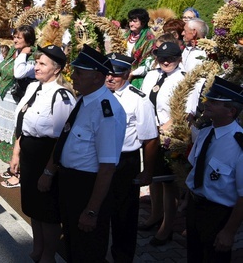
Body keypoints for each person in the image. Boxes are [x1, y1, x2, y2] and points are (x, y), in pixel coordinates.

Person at [51, 45, 127, 262]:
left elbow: (107, 167)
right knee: (72, 246)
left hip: (88, 188)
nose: (73, 76)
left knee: (88, 249)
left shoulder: (107, 111)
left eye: (79, 73)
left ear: (96, 77)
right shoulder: (85, 99)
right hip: (71, 183)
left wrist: (92, 210)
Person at [10, 45, 75, 263]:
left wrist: (49, 172)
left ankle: (49, 255)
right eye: (36, 62)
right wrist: (16, 153)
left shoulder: (61, 96)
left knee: (48, 212)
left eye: (42, 64)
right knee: (33, 207)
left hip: (48, 157)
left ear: (56, 70)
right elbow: (23, 123)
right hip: (29, 154)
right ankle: (38, 248)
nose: (36, 67)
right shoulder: (33, 87)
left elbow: (61, 141)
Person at [105, 53, 160, 263]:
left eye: (116, 74)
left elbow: (150, 139)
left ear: (127, 75)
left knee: (124, 216)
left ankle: (122, 257)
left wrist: (147, 171)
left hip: (125, 161)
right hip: (99, 159)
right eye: (107, 73)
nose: (110, 78)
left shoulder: (138, 100)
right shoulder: (99, 94)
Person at [185, 76, 243, 262]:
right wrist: (187, 201)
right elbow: (195, 168)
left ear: (231, 111)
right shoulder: (206, 132)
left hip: (218, 214)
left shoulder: (239, 144)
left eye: (214, 102)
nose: (207, 103)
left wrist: (229, 231)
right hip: (195, 207)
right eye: (208, 99)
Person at [139, 41, 186, 245]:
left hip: (170, 135)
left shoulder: (184, 79)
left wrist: (169, 125)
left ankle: (167, 226)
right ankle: (155, 215)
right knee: (153, 176)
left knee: (168, 183)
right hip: (150, 132)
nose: (166, 61)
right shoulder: (152, 74)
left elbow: (189, 110)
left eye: (171, 58)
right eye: (162, 58)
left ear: (179, 59)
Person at [0, 25, 36, 183]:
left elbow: (18, 73)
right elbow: (4, 65)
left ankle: (18, 173)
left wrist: (23, 55)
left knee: (16, 133)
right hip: (7, 96)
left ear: (28, 41)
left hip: (19, 99)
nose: (15, 39)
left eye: (19, 37)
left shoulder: (32, 56)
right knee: (8, 132)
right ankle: (12, 165)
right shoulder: (14, 50)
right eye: (14, 36)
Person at [125, 8, 155, 88]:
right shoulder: (126, 35)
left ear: (143, 22)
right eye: (130, 21)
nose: (131, 24)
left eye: (134, 21)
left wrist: (132, 74)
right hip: (123, 72)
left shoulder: (149, 39)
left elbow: (148, 63)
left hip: (138, 77)